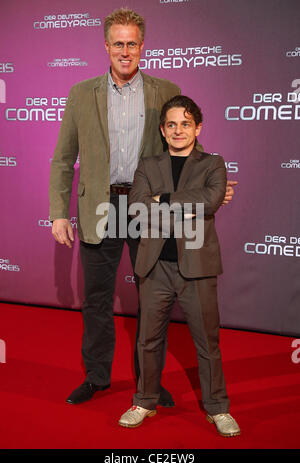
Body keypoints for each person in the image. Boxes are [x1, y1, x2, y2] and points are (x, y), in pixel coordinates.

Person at [49, 8, 236, 407]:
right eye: (118, 43)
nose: (125, 50)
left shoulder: (164, 89)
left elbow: (184, 141)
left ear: (142, 46)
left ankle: (147, 385)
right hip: (100, 208)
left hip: (147, 209)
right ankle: (97, 377)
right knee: (97, 299)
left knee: (151, 300)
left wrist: (212, 182)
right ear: (106, 46)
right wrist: (59, 213)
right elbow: (64, 158)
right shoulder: (82, 93)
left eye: (132, 43)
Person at [119, 95, 240, 437]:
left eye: (185, 123)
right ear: (162, 129)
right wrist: (184, 205)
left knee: (207, 342)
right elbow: (137, 207)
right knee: (148, 339)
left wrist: (164, 200)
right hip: (155, 266)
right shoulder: (148, 165)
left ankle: (218, 408)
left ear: (198, 128)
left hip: (197, 267)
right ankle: (144, 400)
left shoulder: (213, 164)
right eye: (171, 124)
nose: (178, 130)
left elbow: (211, 199)